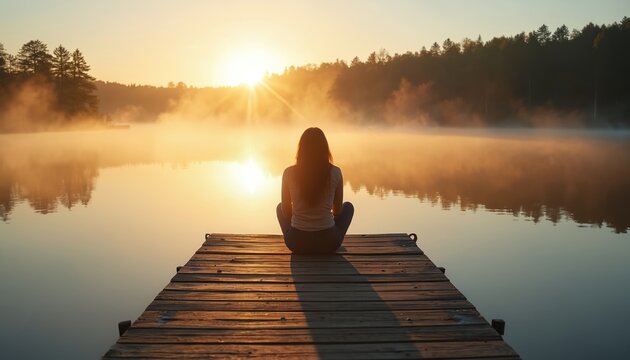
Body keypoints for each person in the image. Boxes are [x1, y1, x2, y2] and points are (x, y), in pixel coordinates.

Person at [276, 127, 354, 254]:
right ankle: (326, 227)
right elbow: (338, 211)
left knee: (280, 208)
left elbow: (285, 212)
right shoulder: (335, 172)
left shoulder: (289, 173)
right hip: (328, 243)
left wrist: (300, 219)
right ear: (325, 149)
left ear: (301, 149)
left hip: (297, 243)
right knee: (348, 207)